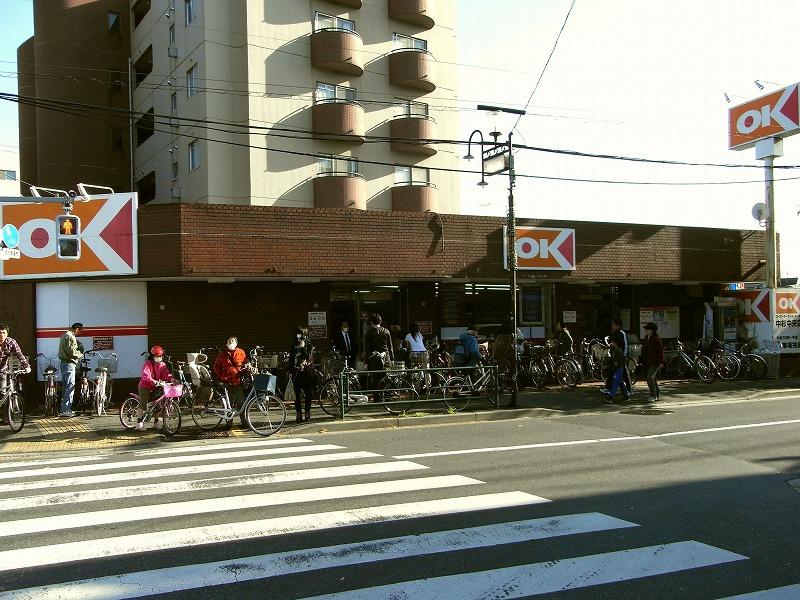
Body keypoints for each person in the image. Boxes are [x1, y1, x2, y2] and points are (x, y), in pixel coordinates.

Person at [213, 336, 248, 428]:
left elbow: (245, 363)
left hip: (238, 382)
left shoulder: (241, 352)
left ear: (236, 343)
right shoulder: (222, 354)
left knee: (241, 402)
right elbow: (216, 367)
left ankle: (244, 421)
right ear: (226, 344)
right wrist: (221, 376)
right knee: (229, 404)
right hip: (226, 383)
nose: (231, 343)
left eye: (233, 341)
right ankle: (229, 422)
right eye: (229, 342)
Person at [136, 345, 173, 430]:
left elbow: (166, 374)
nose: (159, 358)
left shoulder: (162, 365)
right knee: (143, 404)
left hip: (156, 386)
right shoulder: (148, 364)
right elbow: (146, 375)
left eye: (160, 356)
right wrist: (153, 381)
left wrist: (172, 379)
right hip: (145, 386)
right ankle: (139, 422)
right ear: (153, 356)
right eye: (157, 356)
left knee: (158, 404)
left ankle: (156, 422)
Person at [0, 324, 31, 423]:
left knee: (5, 394)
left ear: (7, 333)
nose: (1, 335)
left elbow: (19, 355)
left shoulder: (11, 342)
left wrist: (26, 366)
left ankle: (6, 418)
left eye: (3, 333)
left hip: (3, 371)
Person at [602, 316, 632, 402]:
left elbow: (625, 346)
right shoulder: (614, 334)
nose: (612, 326)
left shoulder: (621, 334)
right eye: (612, 324)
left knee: (617, 378)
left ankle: (611, 396)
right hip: (616, 359)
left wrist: (624, 357)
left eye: (614, 324)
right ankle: (626, 396)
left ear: (618, 326)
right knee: (618, 379)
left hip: (620, 359)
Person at [289, 327, 315, 423]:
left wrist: (303, 347)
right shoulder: (294, 345)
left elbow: (308, 356)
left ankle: (307, 413)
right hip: (296, 373)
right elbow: (291, 359)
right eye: (298, 334)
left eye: (301, 334)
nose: (299, 336)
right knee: (297, 395)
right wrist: (290, 371)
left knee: (308, 393)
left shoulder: (309, 345)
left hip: (307, 373)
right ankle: (298, 414)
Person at [57, 322, 84, 417]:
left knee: (65, 387)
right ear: (77, 329)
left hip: (64, 363)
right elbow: (71, 352)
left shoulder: (64, 335)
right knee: (70, 387)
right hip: (69, 363)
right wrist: (80, 354)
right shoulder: (70, 336)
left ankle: (64, 409)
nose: (78, 333)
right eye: (79, 331)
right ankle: (66, 410)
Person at [641, 322, 665, 403]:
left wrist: (661, 362)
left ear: (652, 330)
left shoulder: (656, 338)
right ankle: (657, 394)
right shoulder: (647, 337)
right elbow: (644, 350)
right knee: (653, 378)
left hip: (655, 361)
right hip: (649, 361)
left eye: (648, 329)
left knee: (649, 377)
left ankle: (653, 395)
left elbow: (660, 351)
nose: (646, 330)